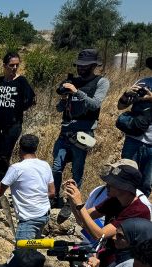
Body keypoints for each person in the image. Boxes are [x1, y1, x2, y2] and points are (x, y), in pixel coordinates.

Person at [52, 49, 110, 203]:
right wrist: (64, 98)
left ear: (93, 66)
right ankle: (54, 197)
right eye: (79, 65)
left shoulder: (101, 82)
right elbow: (59, 109)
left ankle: (72, 202)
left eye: (84, 66)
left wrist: (77, 92)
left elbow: (95, 104)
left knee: (77, 170)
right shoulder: (73, 81)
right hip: (65, 131)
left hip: (83, 132)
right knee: (56, 167)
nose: (80, 69)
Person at [64, 159, 151, 242]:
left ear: (124, 188)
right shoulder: (114, 201)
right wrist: (72, 197)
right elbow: (81, 219)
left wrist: (79, 204)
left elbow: (99, 235)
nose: (107, 185)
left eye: (112, 183)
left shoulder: (138, 211)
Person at [0, 51, 36, 183]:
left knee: (4, 155)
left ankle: (3, 183)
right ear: (4, 65)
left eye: (17, 65)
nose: (14, 68)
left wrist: (18, 109)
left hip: (12, 125)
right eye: (11, 65)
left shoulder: (21, 81)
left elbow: (31, 99)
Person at [0, 134, 55, 241]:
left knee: (22, 254)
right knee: (31, 251)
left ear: (19, 147)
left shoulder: (16, 168)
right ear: (36, 148)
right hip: (44, 215)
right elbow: (52, 192)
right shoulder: (45, 165)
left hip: (29, 219)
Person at [117, 59, 152, 196]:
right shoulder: (143, 83)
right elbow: (120, 107)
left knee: (145, 184)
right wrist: (126, 95)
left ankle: (139, 214)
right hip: (133, 139)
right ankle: (120, 214)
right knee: (124, 180)